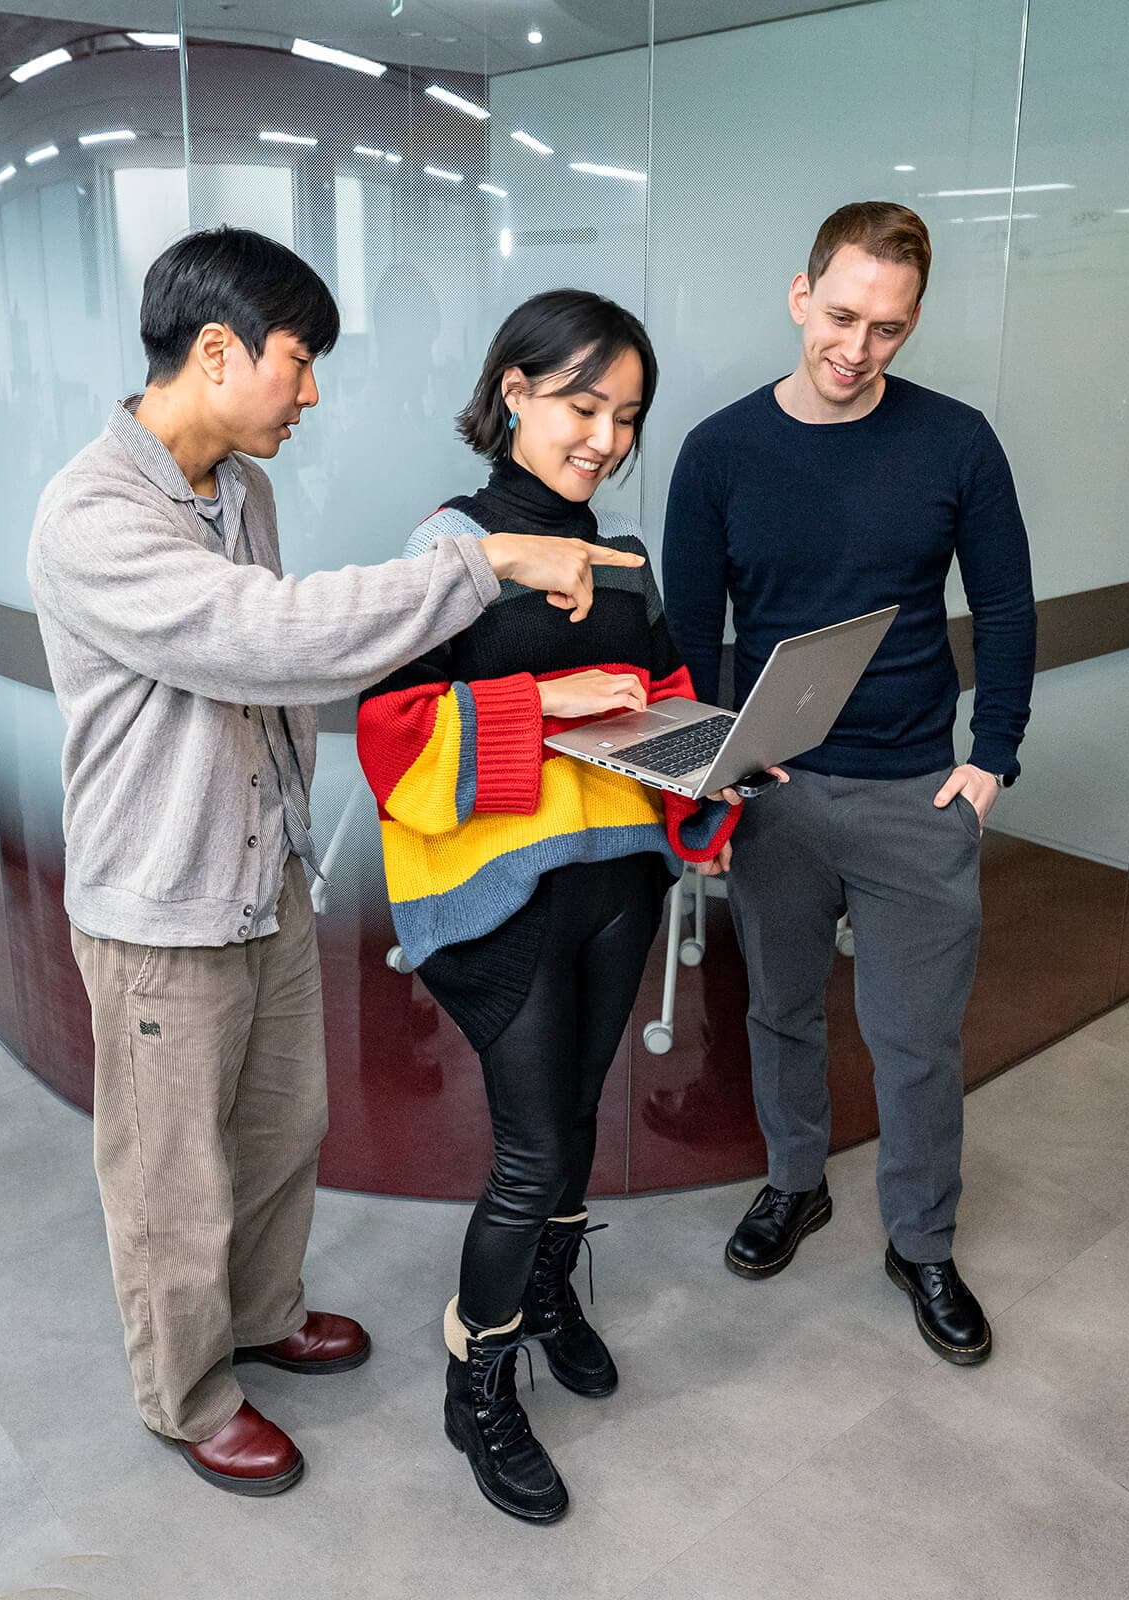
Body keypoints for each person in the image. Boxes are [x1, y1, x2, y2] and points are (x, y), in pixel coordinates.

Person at [25, 228, 645, 1499]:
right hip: (160, 899)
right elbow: (266, 642)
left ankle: (260, 1316)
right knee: (170, 1176)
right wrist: (484, 565)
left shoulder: (237, 491)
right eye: (299, 361)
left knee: (279, 1128)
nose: (312, 393)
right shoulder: (92, 512)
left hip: (260, 876)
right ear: (216, 351)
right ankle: (189, 1394)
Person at [355, 290, 752, 1524]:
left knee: (576, 1118)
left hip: (615, 879)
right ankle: (479, 1380)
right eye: (583, 405)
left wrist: (724, 751)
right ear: (514, 389)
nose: (605, 438)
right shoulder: (450, 550)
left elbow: (670, 687)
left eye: (626, 416)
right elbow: (389, 736)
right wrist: (558, 705)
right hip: (498, 895)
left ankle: (553, 1296)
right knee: (527, 1154)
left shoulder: (626, 554)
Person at [661, 201, 1036, 1367]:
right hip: (776, 793)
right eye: (840, 315)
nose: (857, 347)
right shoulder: (719, 452)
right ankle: (793, 1182)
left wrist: (991, 762)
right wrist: (708, 792)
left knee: (914, 1041)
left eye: (888, 327)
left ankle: (921, 1241)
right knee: (778, 1009)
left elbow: (1010, 608)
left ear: (912, 323)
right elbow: (689, 639)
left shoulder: (958, 442)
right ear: (798, 293)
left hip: (919, 791)